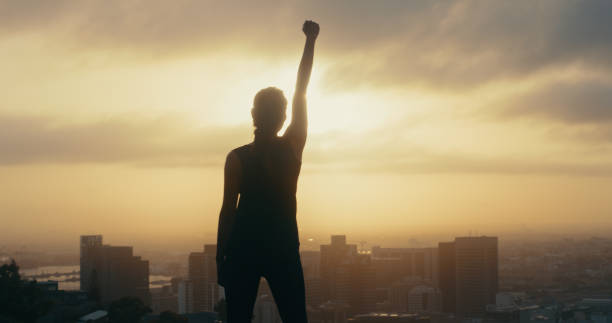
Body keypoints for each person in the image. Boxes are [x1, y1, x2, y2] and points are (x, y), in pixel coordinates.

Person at [215, 20, 319, 322]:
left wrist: (219, 258)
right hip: (283, 246)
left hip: (242, 249)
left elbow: (227, 212)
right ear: (284, 116)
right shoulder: (293, 145)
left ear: (252, 114)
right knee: (295, 318)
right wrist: (310, 40)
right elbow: (302, 90)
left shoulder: (236, 158)